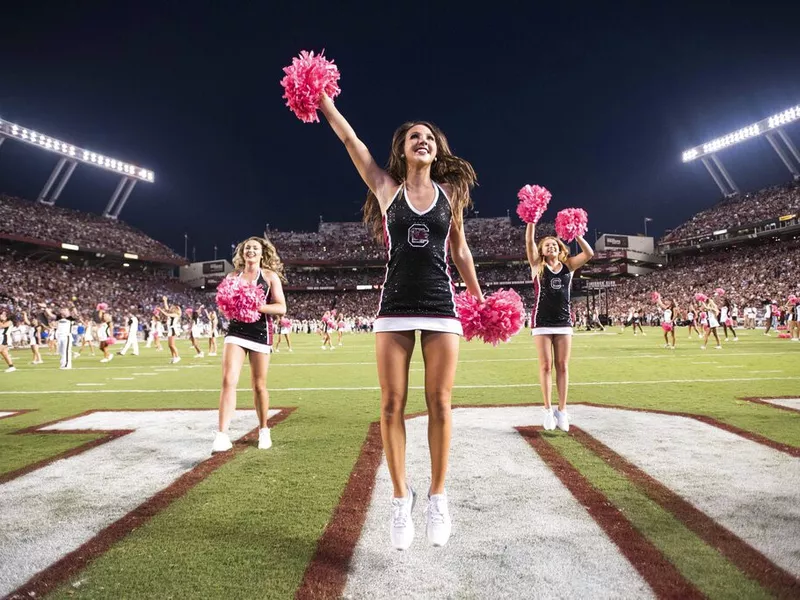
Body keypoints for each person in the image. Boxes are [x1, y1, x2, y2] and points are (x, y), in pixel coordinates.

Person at [320, 94, 484, 550]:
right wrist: (324, 100)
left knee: (440, 403)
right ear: (403, 148)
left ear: (436, 150)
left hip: (440, 306)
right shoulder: (386, 188)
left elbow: (460, 251)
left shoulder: (449, 196)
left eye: (430, 138)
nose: (424, 141)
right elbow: (351, 141)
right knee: (391, 405)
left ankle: (437, 496)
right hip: (393, 306)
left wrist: (479, 297)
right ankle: (399, 498)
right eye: (416, 137)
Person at [212, 237, 286, 454]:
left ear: (262, 253)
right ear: (242, 253)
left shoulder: (270, 277)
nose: (251, 251)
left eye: (255, 248)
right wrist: (230, 306)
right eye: (247, 248)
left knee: (259, 385)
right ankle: (222, 434)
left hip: (261, 332)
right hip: (236, 331)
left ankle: (264, 429)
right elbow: (225, 304)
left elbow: (281, 308)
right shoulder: (232, 276)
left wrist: (256, 305)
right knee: (228, 380)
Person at [526, 223, 593, 432]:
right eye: (546, 245)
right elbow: (529, 241)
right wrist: (531, 221)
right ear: (542, 250)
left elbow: (589, 253)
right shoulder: (537, 266)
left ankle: (562, 411)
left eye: (553, 244)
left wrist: (577, 233)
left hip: (564, 322)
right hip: (542, 322)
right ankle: (547, 409)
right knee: (546, 366)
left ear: (560, 248)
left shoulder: (569, 266)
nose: (550, 247)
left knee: (562, 366)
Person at [159, 297, 182, 364]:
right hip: (170, 329)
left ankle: (177, 356)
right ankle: (173, 357)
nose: (170, 308)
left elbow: (166, 313)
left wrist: (161, 310)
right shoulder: (172, 314)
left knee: (172, 345)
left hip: (172, 329)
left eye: (172, 308)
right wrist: (165, 301)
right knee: (169, 345)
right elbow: (167, 309)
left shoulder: (176, 314)